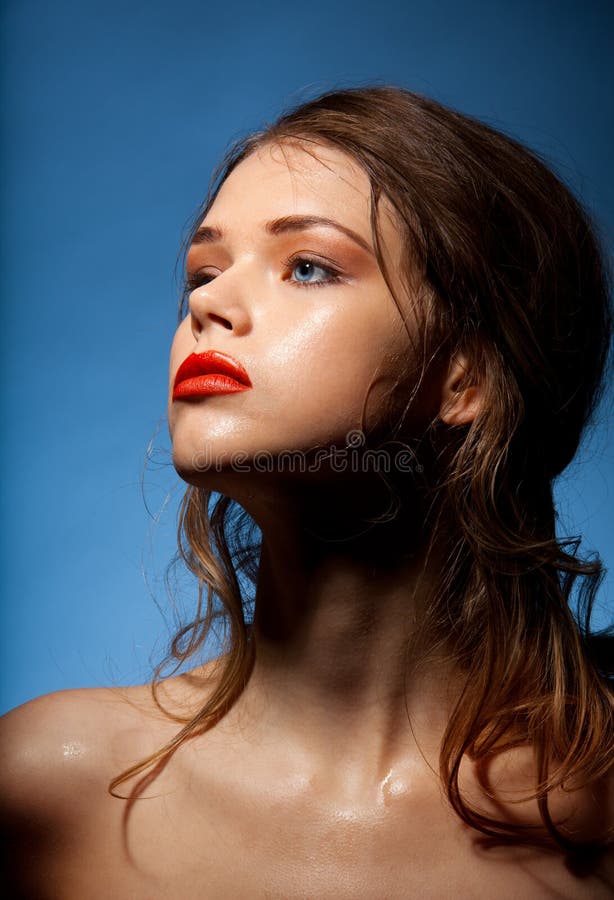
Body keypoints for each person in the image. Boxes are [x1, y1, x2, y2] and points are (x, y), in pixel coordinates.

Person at [1, 85, 613, 899]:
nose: (207, 304)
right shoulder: (47, 787)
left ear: (465, 375)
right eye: (204, 270)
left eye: (309, 266)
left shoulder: (597, 802)